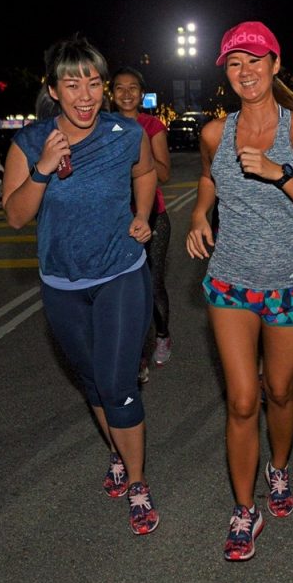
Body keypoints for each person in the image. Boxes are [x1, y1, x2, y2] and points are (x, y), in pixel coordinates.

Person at [186, 21, 293, 561]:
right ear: (226, 73)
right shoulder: (214, 133)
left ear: (275, 64)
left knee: (279, 391)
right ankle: (244, 510)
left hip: (290, 283)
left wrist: (279, 173)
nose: (245, 72)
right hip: (229, 280)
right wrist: (201, 214)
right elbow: (208, 178)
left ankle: (279, 469)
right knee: (242, 400)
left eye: (254, 60)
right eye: (234, 63)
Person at [2, 35, 160, 535]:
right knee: (92, 379)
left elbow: (147, 172)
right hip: (61, 282)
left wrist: (141, 216)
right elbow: (15, 216)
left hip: (119, 272)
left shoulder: (125, 132)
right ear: (54, 89)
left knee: (117, 385)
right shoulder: (29, 143)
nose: (86, 94)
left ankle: (137, 483)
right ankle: (116, 451)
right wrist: (44, 168)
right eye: (73, 83)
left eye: (94, 82)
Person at [111, 67, 173, 382]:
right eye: (119, 88)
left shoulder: (151, 125)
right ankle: (137, 357)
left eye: (132, 88)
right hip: (116, 221)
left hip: (152, 218)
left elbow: (163, 174)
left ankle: (162, 334)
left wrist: (137, 158)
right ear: (111, 93)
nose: (126, 94)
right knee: (124, 292)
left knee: (151, 284)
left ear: (142, 93)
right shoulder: (103, 126)